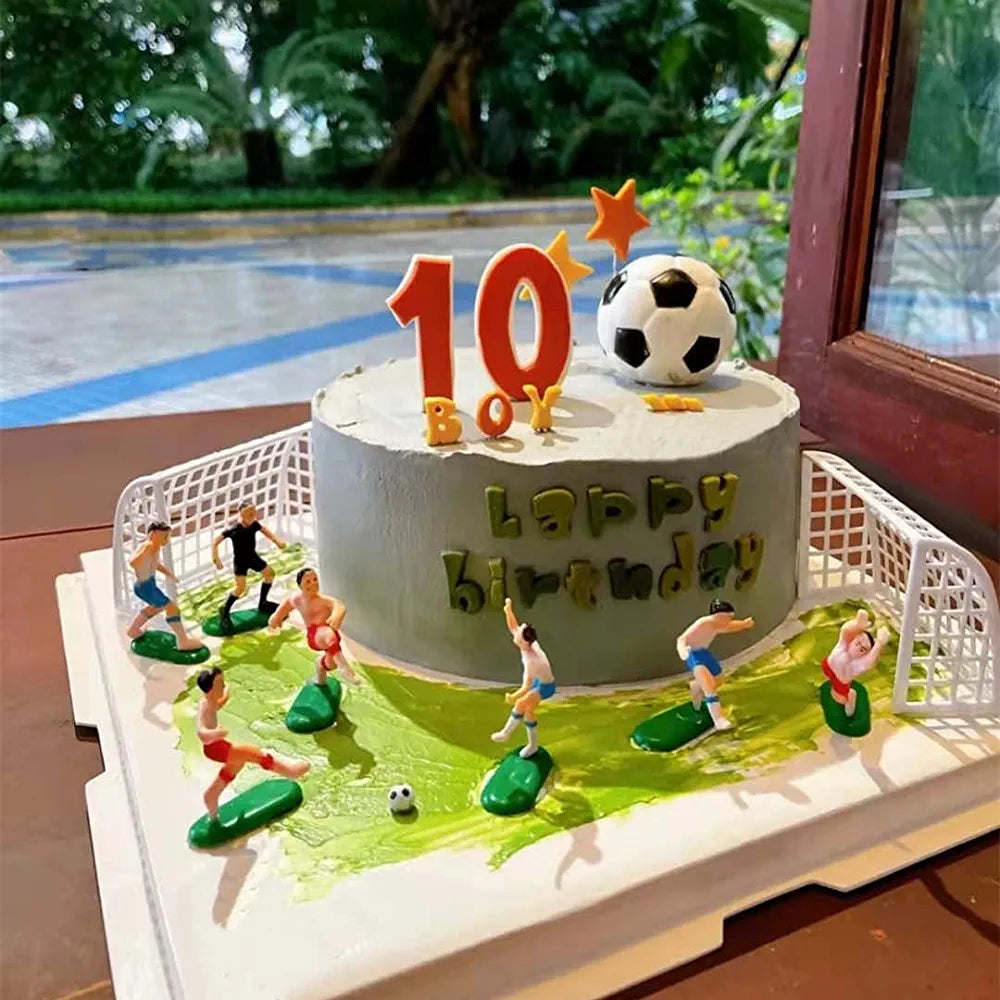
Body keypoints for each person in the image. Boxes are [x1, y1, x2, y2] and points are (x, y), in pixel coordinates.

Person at [196, 667, 310, 819]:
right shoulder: (204, 705)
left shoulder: (210, 701)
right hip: (215, 747)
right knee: (253, 753)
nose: (223, 686)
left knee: (236, 765)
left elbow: (218, 704)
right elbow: (201, 732)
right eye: (220, 684)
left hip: (218, 745)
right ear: (210, 688)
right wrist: (215, 733)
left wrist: (227, 694)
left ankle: (211, 795)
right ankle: (290, 770)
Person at [268, 567, 359, 684]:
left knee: (330, 664)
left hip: (331, 637)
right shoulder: (297, 599)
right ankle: (345, 668)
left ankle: (320, 669)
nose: (313, 583)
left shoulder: (323, 600)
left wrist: (336, 616)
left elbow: (338, 605)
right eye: (308, 581)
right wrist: (275, 619)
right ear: (300, 586)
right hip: (315, 635)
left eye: (315, 579)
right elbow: (284, 608)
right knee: (329, 634)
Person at [491, 598, 557, 759]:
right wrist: (509, 610)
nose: (517, 630)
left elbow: (526, 686)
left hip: (545, 687)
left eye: (520, 632)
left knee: (522, 703)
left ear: (524, 642)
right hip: (537, 682)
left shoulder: (532, 662)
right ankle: (530, 744)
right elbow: (513, 626)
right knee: (528, 711)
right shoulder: (526, 643)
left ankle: (507, 734)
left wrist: (513, 696)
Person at [676, 599, 754, 731]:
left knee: (720, 679)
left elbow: (731, 627)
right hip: (693, 655)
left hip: (704, 653)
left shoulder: (717, 625)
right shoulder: (703, 623)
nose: (729, 621)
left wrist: (744, 624)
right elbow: (682, 639)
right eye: (728, 617)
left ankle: (696, 685)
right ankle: (718, 719)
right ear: (719, 615)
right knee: (709, 686)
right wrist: (683, 651)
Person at [212, 501, 287, 632]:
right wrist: (216, 558)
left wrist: (277, 541)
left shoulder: (254, 525)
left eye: (254, 512)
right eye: (249, 513)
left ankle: (263, 603)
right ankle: (225, 610)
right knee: (240, 588)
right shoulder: (234, 530)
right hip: (241, 561)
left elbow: (265, 531)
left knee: (270, 574)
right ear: (241, 513)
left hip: (253, 558)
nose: (252, 515)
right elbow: (216, 542)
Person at [127, 521, 202, 650]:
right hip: (146, 587)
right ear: (154, 533)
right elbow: (132, 563)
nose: (167, 539)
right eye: (165, 536)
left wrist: (169, 574)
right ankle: (183, 642)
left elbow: (154, 564)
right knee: (172, 609)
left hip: (148, 584)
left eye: (168, 536)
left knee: (155, 608)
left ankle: (133, 630)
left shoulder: (155, 547)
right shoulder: (148, 546)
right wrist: (145, 550)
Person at [822, 608, 890, 717]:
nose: (858, 648)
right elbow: (845, 630)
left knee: (839, 698)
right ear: (853, 639)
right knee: (826, 678)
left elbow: (869, 662)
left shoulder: (857, 663)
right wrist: (858, 625)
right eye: (858, 643)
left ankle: (850, 699)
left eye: (862, 649)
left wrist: (879, 644)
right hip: (828, 666)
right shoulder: (844, 644)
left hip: (841, 681)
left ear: (865, 654)